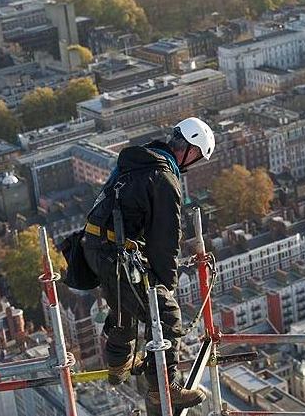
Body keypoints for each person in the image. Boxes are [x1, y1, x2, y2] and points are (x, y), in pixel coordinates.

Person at [80, 117, 215, 409]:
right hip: (115, 251)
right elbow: (165, 241)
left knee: (124, 302)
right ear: (190, 150)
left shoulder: (138, 161)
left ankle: (119, 364)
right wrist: (165, 287)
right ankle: (163, 388)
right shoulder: (165, 178)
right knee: (165, 314)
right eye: (196, 159)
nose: (192, 166)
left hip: (94, 245)